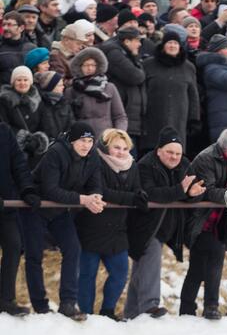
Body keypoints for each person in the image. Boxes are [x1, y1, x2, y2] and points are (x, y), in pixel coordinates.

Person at [22, 121, 104, 320]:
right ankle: (40, 305)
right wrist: (82, 199)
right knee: (34, 255)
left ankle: (68, 303)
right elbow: (50, 189)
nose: (86, 145)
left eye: (90, 141)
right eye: (82, 141)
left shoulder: (92, 156)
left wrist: (96, 197)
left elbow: (96, 183)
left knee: (73, 248)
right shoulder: (56, 153)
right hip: (37, 207)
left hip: (60, 210)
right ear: (72, 141)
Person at [125, 127, 204, 319]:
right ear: (159, 150)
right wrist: (181, 190)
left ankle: (131, 313)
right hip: (145, 225)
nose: (174, 157)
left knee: (141, 269)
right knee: (150, 257)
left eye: (177, 153)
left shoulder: (185, 164)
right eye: (169, 152)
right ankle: (149, 306)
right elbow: (151, 193)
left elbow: (192, 192)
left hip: (169, 225)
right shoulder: (145, 165)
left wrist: (191, 195)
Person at [75, 129, 144, 320]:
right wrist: (131, 198)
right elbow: (100, 191)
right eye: (116, 148)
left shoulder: (132, 165)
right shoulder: (94, 161)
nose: (121, 152)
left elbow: (138, 191)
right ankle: (86, 312)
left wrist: (137, 197)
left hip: (117, 229)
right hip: (92, 226)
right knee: (87, 275)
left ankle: (107, 311)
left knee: (120, 272)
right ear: (107, 147)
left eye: (124, 148)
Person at [180, 128, 227, 319]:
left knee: (200, 267)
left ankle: (190, 308)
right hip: (201, 220)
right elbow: (208, 191)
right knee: (208, 264)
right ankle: (209, 307)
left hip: (221, 221)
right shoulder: (206, 158)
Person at [0, 121, 39, 316]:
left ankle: (6, 300)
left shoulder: (4, 131)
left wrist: (27, 190)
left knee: (14, 246)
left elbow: (19, 164)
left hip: (6, 206)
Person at [142, 30, 200, 155]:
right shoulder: (148, 64)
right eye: (169, 42)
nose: (172, 46)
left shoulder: (188, 67)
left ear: (180, 46)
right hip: (152, 119)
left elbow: (193, 95)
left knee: (174, 153)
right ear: (163, 45)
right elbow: (142, 91)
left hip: (179, 120)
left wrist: (194, 119)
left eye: (175, 43)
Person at [99, 27, 146, 149]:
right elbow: (136, 76)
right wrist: (136, 59)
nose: (139, 44)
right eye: (137, 41)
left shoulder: (124, 53)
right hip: (125, 113)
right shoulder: (114, 53)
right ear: (126, 41)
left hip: (131, 115)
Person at [65, 46, 127, 136]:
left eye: (93, 65)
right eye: (86, 65)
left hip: (106, 138)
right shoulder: (71, 91)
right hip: (82, 138)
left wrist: (118, 134)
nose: (89, 68)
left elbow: (120, 116)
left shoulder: (109, 87)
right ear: (79, 67)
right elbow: (68, 119)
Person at [0, 12, 37, 85]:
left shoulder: (32, 49)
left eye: (9, 25)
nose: (5, 28)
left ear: (21, 28)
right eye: (3, 25)